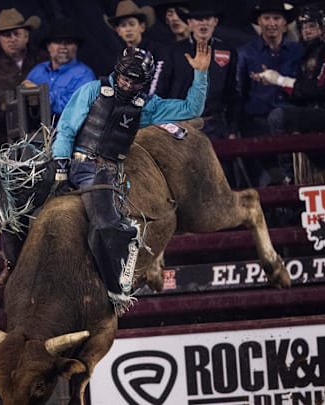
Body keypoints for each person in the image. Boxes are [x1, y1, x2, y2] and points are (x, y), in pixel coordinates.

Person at [51, 43, 210, 313]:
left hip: (108, 171)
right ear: (118, 71)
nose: (127, 84)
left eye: (134, 81)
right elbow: (66, 127)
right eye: (125, 77)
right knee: (24, 202)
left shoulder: (146, 107)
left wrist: (201, 74)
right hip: (79, 161)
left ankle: (116, 286)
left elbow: (190, 109)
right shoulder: (92, 91)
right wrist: (60, 166)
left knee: (103, 223)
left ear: (143, 83)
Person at [257, 5, 325, 185]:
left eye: (311, 26)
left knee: (278, 117)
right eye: (303, 26)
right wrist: (277, 81)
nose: (306, 30)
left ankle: (290, 176)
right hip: (317, 116)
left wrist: (281, 80)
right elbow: (303, 92)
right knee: (280, 116)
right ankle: (293, 177)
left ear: (324, 27)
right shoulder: (306, 56)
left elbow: (319, 87)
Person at [235, 0, 304, 186]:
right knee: (263, 183)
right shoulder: (245, 53)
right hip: (258, 126)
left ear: (284, 22)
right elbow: (238, 93)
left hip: (292, 125)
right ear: (259, 21)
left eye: (276, 18)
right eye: (266, 18)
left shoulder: (299, 51)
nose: (271, 23)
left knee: (296, 180)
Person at [159, 0, 236, 141]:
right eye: (198, 19)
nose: (203, 23)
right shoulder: (172, 52)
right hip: (180, 125)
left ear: (215, 21)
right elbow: (161, 90)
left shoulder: (227, 51)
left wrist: (232, 129)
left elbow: (233, 94)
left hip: (215, 125)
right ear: (190, 22)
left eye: (208, 19)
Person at [0, 8, 47, 148]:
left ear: (26, 36)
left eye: (17, 34)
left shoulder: (45, 62)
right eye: (6, 35)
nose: (12, 39)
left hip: (44, 140)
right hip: (4, 145)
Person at [23, 19, 95, 120]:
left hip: (67, 133)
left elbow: (76, 107)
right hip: (34, 132)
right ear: (48, 46)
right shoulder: (37, 71)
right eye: (57, 42)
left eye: (69, 42)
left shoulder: (85, 74)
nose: (63, 47)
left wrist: (39, 95)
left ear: (76, 47)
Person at [104, 0, 167, 95]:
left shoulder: (157, 51)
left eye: (132, 24)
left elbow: (159, 81)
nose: (128, 29)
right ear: (118, 31)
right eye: (123, 25)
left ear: (142, 27)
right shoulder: (120, 56)